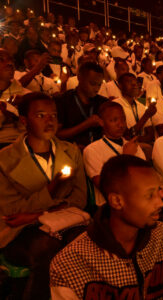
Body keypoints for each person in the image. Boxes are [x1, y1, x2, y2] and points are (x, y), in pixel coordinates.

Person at [50, 155, 163, 300]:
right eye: (149, 195)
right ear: (117, 201)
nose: (160, 202)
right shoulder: (70, 264)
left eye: (159, 192)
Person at [0, 92, 87, 300]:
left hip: (65, 223)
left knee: (85, 243)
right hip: (19, 232)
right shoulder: (5, 160)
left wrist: (36, 214)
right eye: (41, 115)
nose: (50, 121)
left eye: (54, 115)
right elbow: (12, 211)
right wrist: (52, 189)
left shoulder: (71, 152)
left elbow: (80, 198)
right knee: (48, 250)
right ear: (24, 121)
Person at [83, 101, 146, 187]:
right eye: (114, 120)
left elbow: (146, 175)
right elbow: (104, 185)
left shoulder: (132, 145)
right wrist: (126, 156)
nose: (121, 125)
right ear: (101, 122)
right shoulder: (92, 150)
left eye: (123, 119)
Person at [55, 62, 108, 149]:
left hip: (98, 151)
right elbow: (56, 134)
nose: (96, 89)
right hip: (71, 151)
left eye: (99, 85)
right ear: (79, 78)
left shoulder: (103, 102)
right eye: (92, 84)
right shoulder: (63, 100)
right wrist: (86, 124)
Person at [113, 73, 156, 144]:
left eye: (135, 82)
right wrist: (146, 116)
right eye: (129, 82)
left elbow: (151, 135)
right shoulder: (116, 106)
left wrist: (136, 139)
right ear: (120, 86)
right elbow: (126, 136)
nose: (134, 84)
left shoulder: (140, 106)